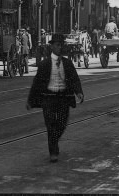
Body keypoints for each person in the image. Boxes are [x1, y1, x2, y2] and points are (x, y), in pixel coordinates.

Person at [26, 32, 84, 163]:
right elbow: (37, 83)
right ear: (52, 46)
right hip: (49, 98)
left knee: (62, 124)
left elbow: (74, 79)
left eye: (61, 45)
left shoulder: (67, 63)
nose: (60, 47)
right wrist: (30, 100)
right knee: (51, 125)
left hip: (63, 98)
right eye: (57, 45)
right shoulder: (45, 64)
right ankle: (53, 151)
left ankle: (53, 141)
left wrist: (79, 92)